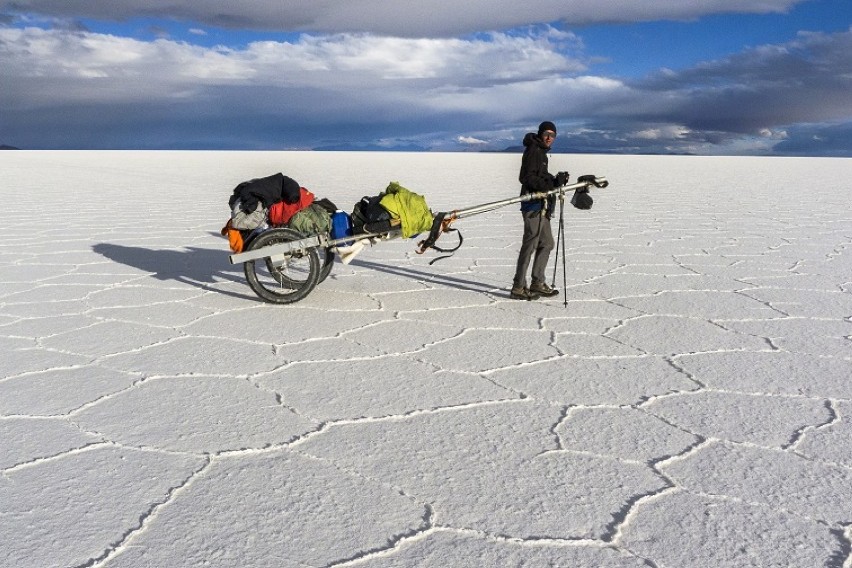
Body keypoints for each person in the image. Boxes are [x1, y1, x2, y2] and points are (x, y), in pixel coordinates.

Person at [511, 121, 569, 300]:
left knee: (547, 243)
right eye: (547, 134)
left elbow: (539, 175)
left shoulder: (541, 152)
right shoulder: (534, 151)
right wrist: (549, 184)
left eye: (553, 135)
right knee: (530, 245)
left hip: (541, 204)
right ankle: (518, 287)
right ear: (540, 134)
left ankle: (537, 282)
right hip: (532, 205)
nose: (549, 138)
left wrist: (554, 180)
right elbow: (526, 178)